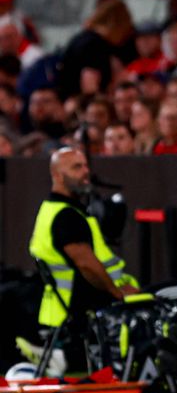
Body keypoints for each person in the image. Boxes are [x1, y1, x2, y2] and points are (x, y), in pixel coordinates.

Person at [28, 147, 139, 367]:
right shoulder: (67, 216)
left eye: (86, 165)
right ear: (57, 175)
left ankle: (62, 358)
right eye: (76, 167)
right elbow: (86, 264)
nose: (86, 172)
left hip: (66, 301)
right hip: (86, 301)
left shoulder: (53, 208)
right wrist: (116, 292)